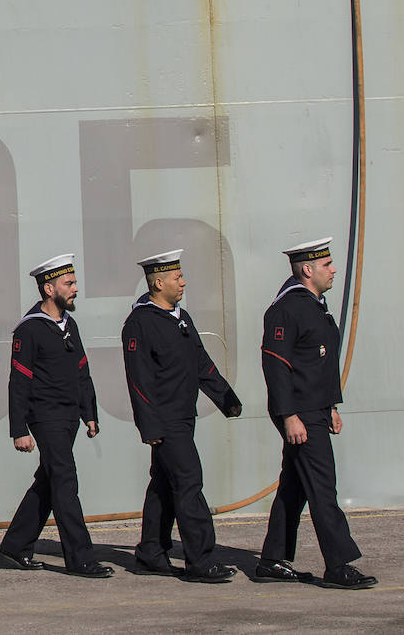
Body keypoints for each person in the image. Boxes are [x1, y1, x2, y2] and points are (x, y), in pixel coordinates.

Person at [255, 238, 376, 589]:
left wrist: (332, 405)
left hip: (316, 408)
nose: (334, 269)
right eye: (327, 265)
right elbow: (275, 366)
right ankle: (338, 565)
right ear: (308, 270)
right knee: (323, 487)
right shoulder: (287, 309)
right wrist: (289, 415)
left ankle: (272, 559)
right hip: (299, 411)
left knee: (295, 486)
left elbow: (317, 364)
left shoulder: (314, 304)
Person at [122, 250, 242, 583]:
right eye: (177, 277)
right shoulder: (140, 323)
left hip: (183, 417)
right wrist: (149, 424)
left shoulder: (181, 317)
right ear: (158, 282)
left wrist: (226, 398)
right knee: (189, 483)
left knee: (163, 486)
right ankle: (200, 561)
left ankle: (150, 552)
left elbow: (200, 362)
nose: (183, 281)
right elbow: (139, 379)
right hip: (165, 421)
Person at [0, 254, 112, 578]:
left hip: (69, 416)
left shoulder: (69, 324)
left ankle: (14, 546)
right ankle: (81, 558)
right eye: (69, 283)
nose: (75, 288)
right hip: (44, 417)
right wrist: (19, 428)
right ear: (49, 288)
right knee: (65, 479)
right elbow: (18, 381)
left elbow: (82, 370)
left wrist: (89, 412)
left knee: (48, 482)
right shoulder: (29, 329)